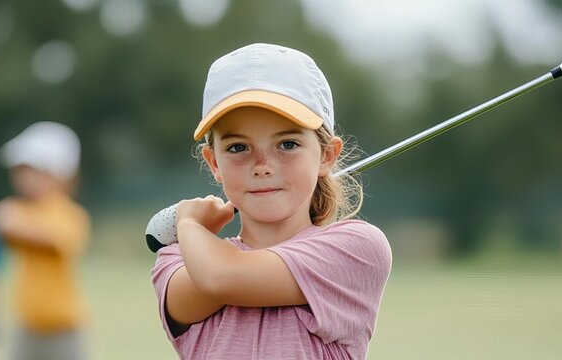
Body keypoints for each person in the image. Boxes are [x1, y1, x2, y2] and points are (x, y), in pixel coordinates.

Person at [150, 43, 392, 359]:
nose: (262, 166)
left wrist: (189, 222)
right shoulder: (178, 261)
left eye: (287, 144)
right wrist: (191, 230)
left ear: (327, 155)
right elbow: (212, 279)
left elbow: (220, 278)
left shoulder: (357, 248)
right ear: (214, 163)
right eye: (238, 147)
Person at [0, 122, 91, 360]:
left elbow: (50, 239)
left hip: (64, 331)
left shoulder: (70, 214)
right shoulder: (21, 210)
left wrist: (12, 222)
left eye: (33, 171)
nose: (24, 178)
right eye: (21, 171)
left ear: (58, 173)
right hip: (26, 327)